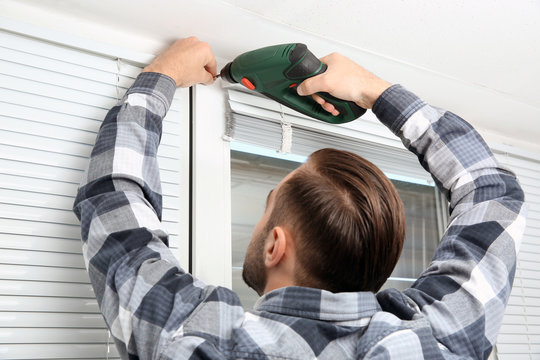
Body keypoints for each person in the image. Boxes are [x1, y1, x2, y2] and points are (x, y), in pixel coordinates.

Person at [73, 37, 527, 359]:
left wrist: (162, 75)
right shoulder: (436, 342)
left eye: (268, 205)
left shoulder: (197, 340)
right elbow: (490, 191)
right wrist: (374, 90)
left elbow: (115, 203)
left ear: (276, 245)